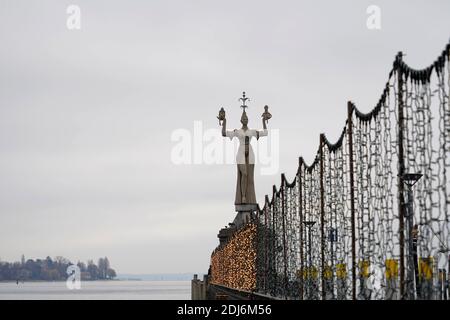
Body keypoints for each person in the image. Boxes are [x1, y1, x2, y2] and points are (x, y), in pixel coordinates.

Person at [220, 109, 269, 205]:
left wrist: (264, 120)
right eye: (243, 118)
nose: (245, 120)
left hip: (250, 154)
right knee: (244, 174)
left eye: (246, 118)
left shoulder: (252, 132)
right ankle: (242, 196)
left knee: (250, 177)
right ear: (241, 120)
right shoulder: (237, 131)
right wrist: (224, 121)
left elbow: (265, 133)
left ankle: (249, 197)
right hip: (240, 153)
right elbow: (224, 133)